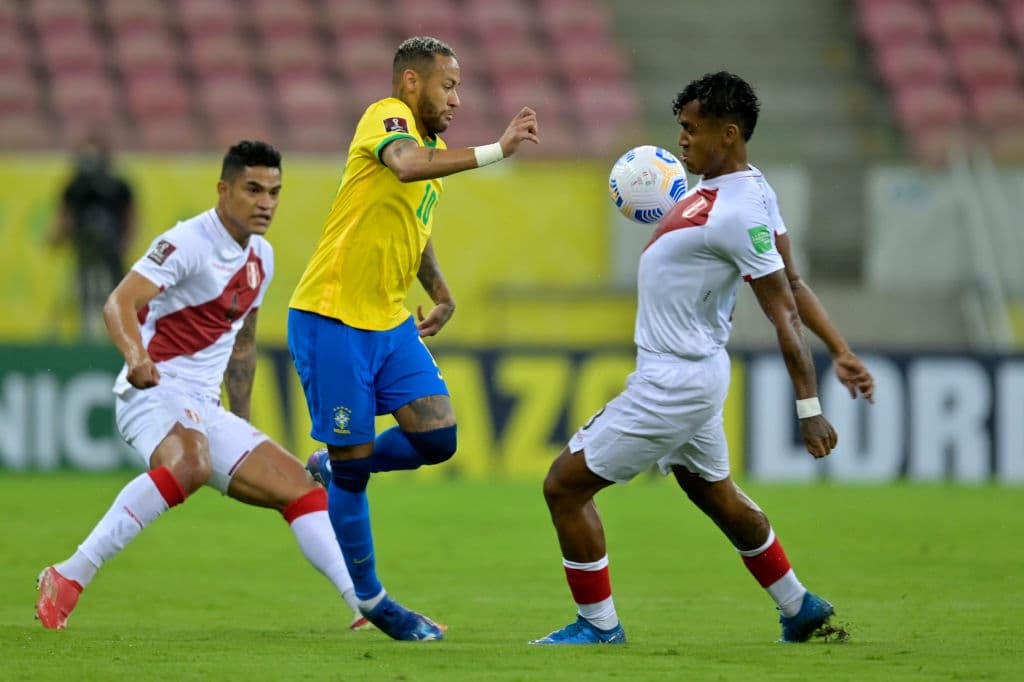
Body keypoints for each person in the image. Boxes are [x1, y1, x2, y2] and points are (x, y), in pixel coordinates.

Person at [530, 72, 876, 646]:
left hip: (673, 381)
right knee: (712, 491)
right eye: (680, 128)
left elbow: (783, 309)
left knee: (563, 487)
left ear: (729, 133)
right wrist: (841, 350)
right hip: (691, 373)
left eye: (692, 130)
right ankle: (799, 606)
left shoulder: (736, 212)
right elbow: (794, 279)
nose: (681, 141)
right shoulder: (748, 189)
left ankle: (598, 626)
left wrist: (809, 405)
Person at [36, 140, 369, 633]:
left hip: (203, 407)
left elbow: (242, 345)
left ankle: (367, 607)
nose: (266, 203)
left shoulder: (263, 256)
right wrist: (136, 358)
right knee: (190, 463)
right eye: (253, 189)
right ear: (223, 189)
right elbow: (118, 303)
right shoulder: (187, 242)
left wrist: (241, 417)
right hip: (152, 391)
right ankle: (68, 576)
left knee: (300, 488)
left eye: (275, 192)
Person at [289, 36, 539, 642]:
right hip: (333, 318)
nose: (457, 97)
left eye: (459, 87)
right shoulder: (386, 118)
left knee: (439, 436)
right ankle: (374, 600)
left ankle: (332, 463)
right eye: (448, 85)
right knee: (354, 474)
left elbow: (414, 224)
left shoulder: (430, 151)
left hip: (390, 320)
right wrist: (495, 150)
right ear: (411, 83)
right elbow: (402, 165)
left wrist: (443, 290)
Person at [49, 130, 136, 341]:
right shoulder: (75, 186)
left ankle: (118, 341)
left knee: (114, 300)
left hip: (111, 254)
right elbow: (65, 216)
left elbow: (130, 218)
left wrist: (125, 242)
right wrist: (58, 236)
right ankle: (87, 339)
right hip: (84, 253)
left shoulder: (118, 186)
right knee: (84, 301)